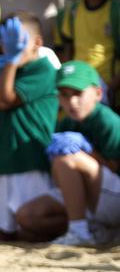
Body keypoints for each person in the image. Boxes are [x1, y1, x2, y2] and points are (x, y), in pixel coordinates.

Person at [17, 61, 120, 246]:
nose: (72, 101)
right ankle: (95, 232)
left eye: (78, 93)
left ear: (98, 93)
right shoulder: (66, 123)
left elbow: (114, 167)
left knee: (66, 159)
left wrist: (88, 152)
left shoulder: (108, 121)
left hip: (113, 198)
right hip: (95, 199)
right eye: (64, 95)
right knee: (27, 217)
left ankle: (79, 231)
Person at [0, 15, 59, 240]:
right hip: (0, 160)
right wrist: (7, 69)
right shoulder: (7, 71)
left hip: (29, 160)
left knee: (29, 229)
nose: (9, 47)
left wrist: (10, 63)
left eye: (19, 40)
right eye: (6, 40)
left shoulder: (43, 69)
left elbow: (5, 99)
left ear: (38, 43)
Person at [55, 0, 120, 92]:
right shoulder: (72, 10)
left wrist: (110, 88)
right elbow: (68, 50)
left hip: (107, 86)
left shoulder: (115, 9)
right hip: (79, 84)